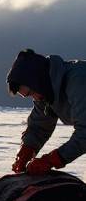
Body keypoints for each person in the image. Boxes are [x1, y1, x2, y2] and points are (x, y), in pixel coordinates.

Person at [6, 48, 86, 176]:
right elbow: (38, 127)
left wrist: (51, 160)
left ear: (38, 81)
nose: (35, 99)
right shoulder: (47, 92)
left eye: (32, 93)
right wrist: (26, 150)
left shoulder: (79, 81)